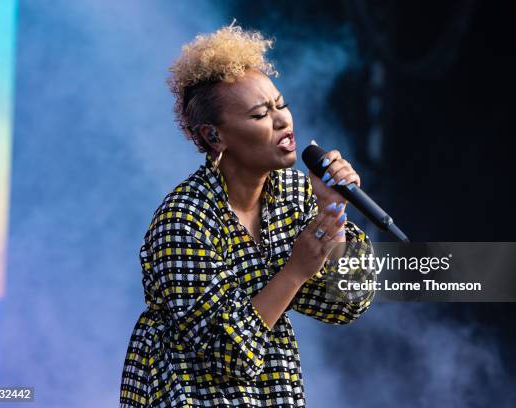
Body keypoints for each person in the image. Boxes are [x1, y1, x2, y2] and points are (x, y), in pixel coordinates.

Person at [120, 22, 375, 407]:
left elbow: (346, 303)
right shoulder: (184, 221)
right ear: (214, 136)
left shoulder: (292, 195)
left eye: (281, 105)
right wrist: (293, 272)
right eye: (260, 115)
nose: (282, 121)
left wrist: (330, 209)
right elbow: (229, 354)